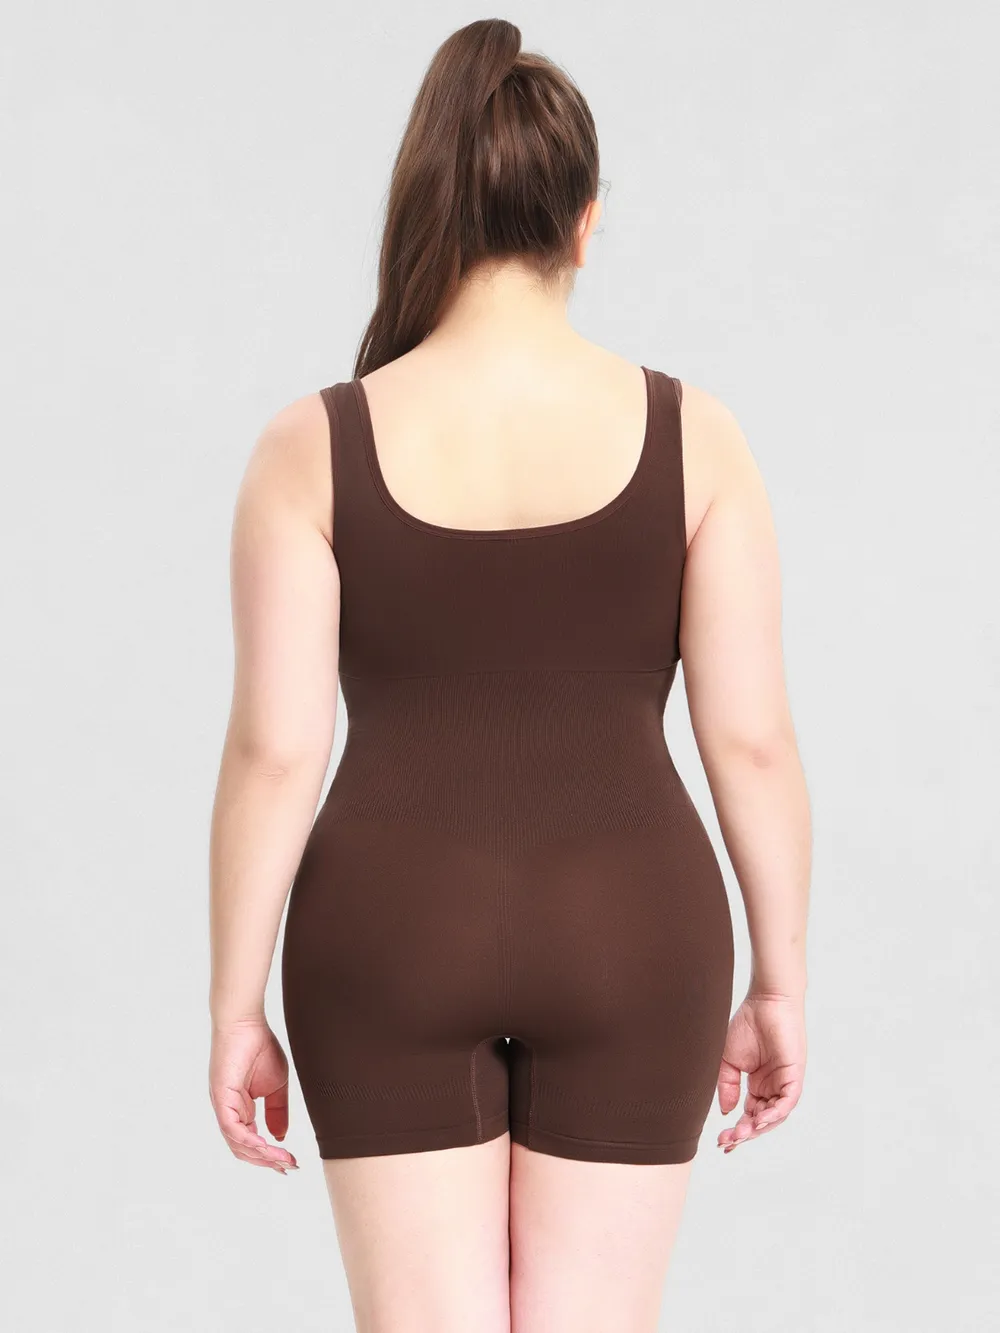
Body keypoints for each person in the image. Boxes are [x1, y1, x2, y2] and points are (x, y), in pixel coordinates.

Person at [207, 17, 811, 1332]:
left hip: (389, 927)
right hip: (633, 924)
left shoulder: (310, 446)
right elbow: (752, 741)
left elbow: (276, 751)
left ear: (434, 207)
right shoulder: (698, 439)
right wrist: (779, 979)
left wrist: (235, 1002)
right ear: (584, 224)